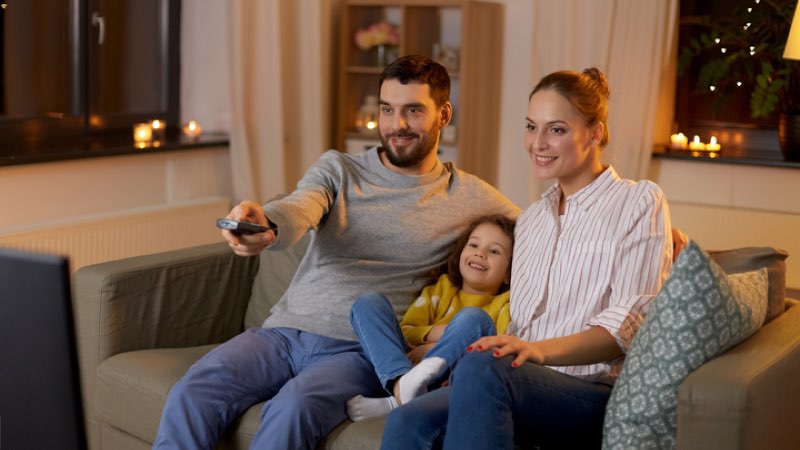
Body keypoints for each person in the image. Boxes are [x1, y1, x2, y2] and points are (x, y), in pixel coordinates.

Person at [151, 54, 520, 450]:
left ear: (443, 114)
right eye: (387, 110)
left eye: (413, 111)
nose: (397, 125)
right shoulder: (339, 169)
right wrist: (266, 224)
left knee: (294, 407)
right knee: (193, 390)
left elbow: (538, 232)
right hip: (281, 334)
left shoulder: (467, 195)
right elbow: (299, 207)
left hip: (359, 351)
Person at [380, 67, 674, 450]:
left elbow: (628, 326)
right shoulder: (531, 219)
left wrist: (536, 351)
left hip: (593, 392)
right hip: (516, 380)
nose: (538, 143)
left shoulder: (639, 202)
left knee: (485, 368)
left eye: (556, 129)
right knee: (408, 420)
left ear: (595, 133)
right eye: (531, 127)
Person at [346, 214, 516, 422]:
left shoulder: (503, 303)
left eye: (494, 251)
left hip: (451, 375)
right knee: (368, 303)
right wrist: (438, 333)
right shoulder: (441, 289)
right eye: (473, 245)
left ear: (508, 273)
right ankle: (401, 386)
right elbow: (407, 329)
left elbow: (498, 348)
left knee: (475, 319)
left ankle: (396, 401)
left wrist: (433, 348)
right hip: (407, 364)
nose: (480, 254)